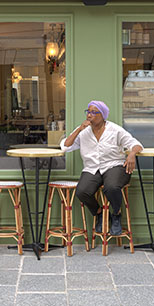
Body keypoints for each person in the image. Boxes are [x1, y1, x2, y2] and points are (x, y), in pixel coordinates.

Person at [60, 100, 143, 236]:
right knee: (82, 192)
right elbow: (65, 146)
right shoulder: (83, 130)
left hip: (114, 165)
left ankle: (116, 214)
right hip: (92, 168)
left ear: (102, 115)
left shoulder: (115, 130)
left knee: (111, 187)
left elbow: (135, 144)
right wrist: (79, 129)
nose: (89, 115)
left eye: (94, 112)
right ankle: (99, 214)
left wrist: (132, 154)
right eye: (88, 111)